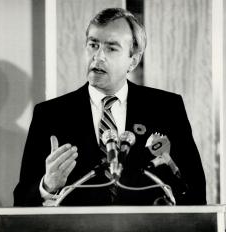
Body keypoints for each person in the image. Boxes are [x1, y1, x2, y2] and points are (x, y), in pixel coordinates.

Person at [13, 8, 206, 206]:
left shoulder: (166, 109)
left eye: (111, 48)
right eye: (93, 45)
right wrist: (47, 186)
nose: (98, 56)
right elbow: (21, 202)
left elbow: (195, 189)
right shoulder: (50, 114)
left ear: (133, 60)